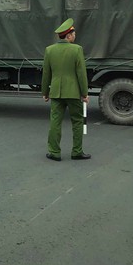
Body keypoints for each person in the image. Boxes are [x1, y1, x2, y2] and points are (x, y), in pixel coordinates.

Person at [41, 18, 90, 161]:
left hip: (56, 92)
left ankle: (54, 152)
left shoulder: (49, 50)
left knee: (55, 121)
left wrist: (45, 92)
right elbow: (81, 74)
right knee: (77, 121)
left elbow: (46, 74)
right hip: (73, 92)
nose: (75, 36)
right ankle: (77, 152)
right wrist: (84, 93)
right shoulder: (77, 49)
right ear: (68, 36)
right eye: (73, 34)